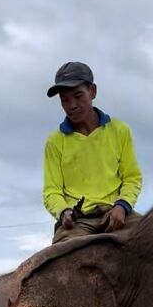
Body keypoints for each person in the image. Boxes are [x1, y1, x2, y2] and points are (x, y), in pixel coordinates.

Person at [43, 61, 143, 242]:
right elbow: (52, 191)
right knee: (64, 256)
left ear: (93, 91)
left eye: (78, 95)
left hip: (116, 212)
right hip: (78, 221)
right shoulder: (55, 141)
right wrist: (64, 211)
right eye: (64, 99)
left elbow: (131, 177)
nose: (71, 105)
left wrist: (122, 206)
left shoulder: (120, 131)